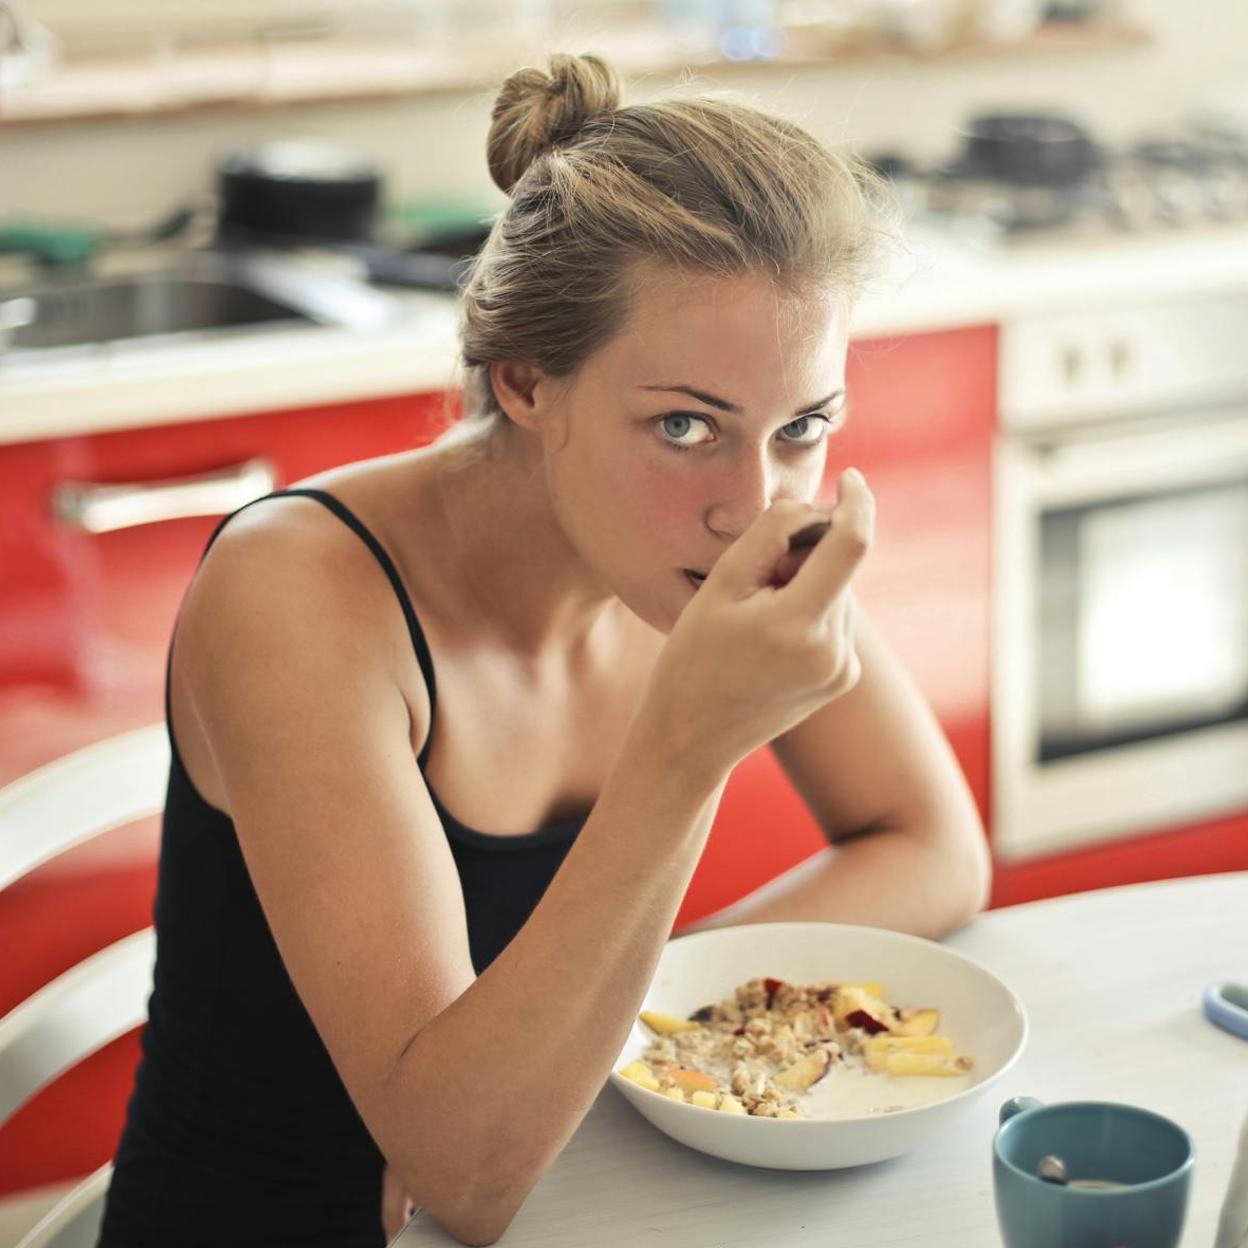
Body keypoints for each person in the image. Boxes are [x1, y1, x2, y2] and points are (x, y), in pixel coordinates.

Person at [98, 52, 990, 1248]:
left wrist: (596, 1036)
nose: (754, 504)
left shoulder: (723, 536)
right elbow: (465, 1175)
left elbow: (932, 847)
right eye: (684, 425)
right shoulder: (302, 595)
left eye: (803, 426)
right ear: (526, 381)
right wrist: (688, 749)